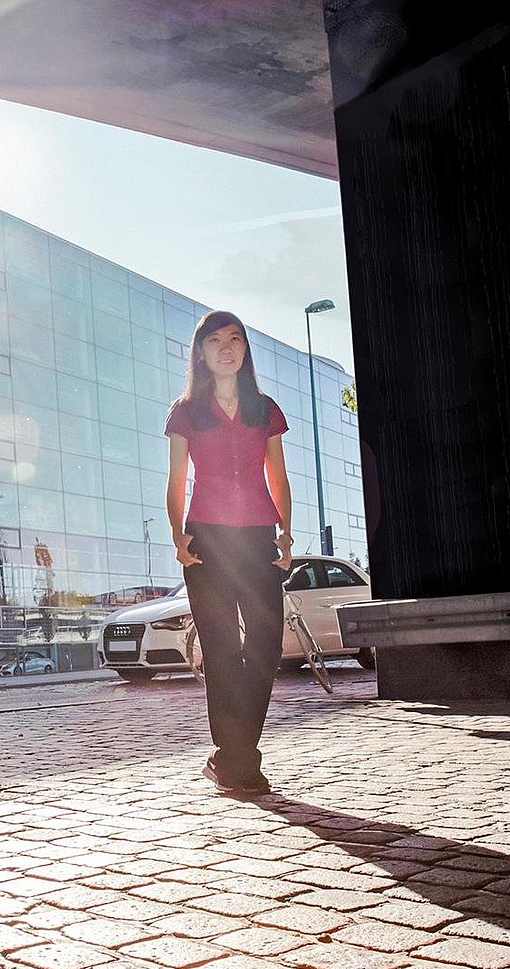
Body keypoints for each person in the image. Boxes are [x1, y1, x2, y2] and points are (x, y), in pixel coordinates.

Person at [165, 309, 292, 794]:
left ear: (244, 349)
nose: (226, 347)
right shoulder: (185, 412)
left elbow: (277, 476)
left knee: (265, 644)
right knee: (221, 651)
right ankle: (240, 760)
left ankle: (232, 754)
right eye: (215, 340)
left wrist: (286, 534)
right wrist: (179, 537)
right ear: (201, 352)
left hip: (258, 536)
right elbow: (177, 480)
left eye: (235, 339)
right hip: (207, 541)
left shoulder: (266, 408)